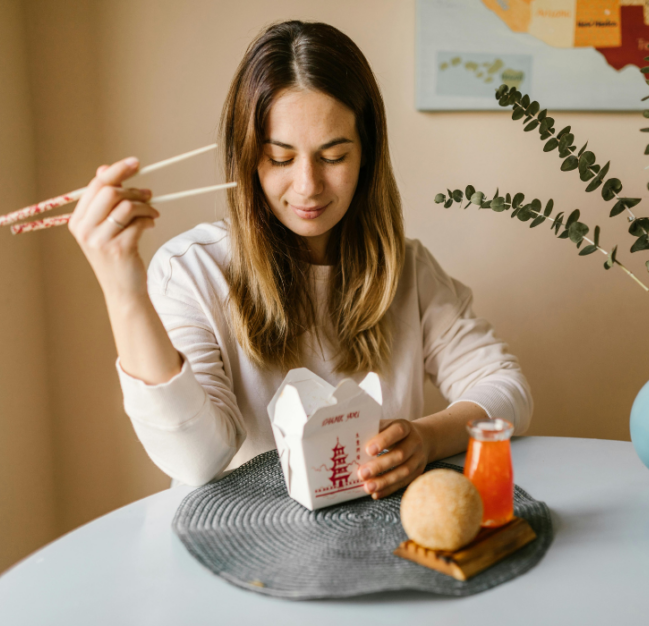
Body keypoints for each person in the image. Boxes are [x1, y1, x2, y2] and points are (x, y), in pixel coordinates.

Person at [67, 20, 532, 499]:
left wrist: (428, 438)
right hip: (237, 549)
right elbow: (197, 460)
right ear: (248, 158)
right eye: (281, 158)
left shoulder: (407, 269)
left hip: (376, 537)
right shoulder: (192, 271)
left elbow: (507, 389)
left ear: (367, 155)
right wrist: (122, 288)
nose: (308, 186)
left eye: (333, 156)